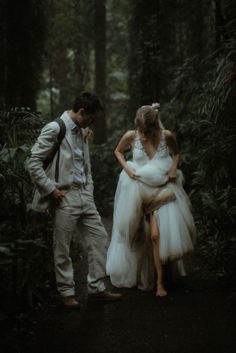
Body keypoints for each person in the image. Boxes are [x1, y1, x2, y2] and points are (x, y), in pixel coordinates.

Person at [26, 92, 121, 309]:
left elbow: (83, 164)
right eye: (92, 118)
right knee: (62, 246)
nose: (92, 122)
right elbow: (33, 163)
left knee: (99, 238)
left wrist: (89, 188)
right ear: (82, 112)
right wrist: (51, 190)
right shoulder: (55, 128)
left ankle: (96, 288)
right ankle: (66, 293)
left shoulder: (83, 129)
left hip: (84, 194)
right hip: (63, 196)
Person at [106, 103, 196, 296]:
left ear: (155, 127)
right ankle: (142, 274)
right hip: (136, 191)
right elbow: (118, 151)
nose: (143, 136)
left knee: (156, 235)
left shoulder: (167, 136)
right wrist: (127, 169)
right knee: (138, 234)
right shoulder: (131, 136)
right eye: (140, 131)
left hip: (163, 189)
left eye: (146, 131)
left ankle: (160, 283)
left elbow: (176, 153)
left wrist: (173, 169)